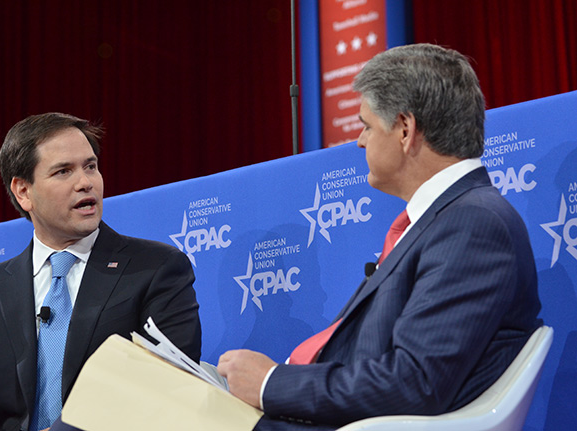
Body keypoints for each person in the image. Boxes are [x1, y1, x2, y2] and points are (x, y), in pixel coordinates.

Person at [217, 43, 542, 430]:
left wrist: (271, 383)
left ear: (405, 130)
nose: (359, 141)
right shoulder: (447, 221)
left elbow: (415, 381)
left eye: (367, 126)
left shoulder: (473, 224)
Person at [0, 113, 202, 431]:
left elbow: (171, 387)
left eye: (91, 166)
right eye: (63, 171)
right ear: (23, 192)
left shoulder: (155, 268)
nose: (86, 182)